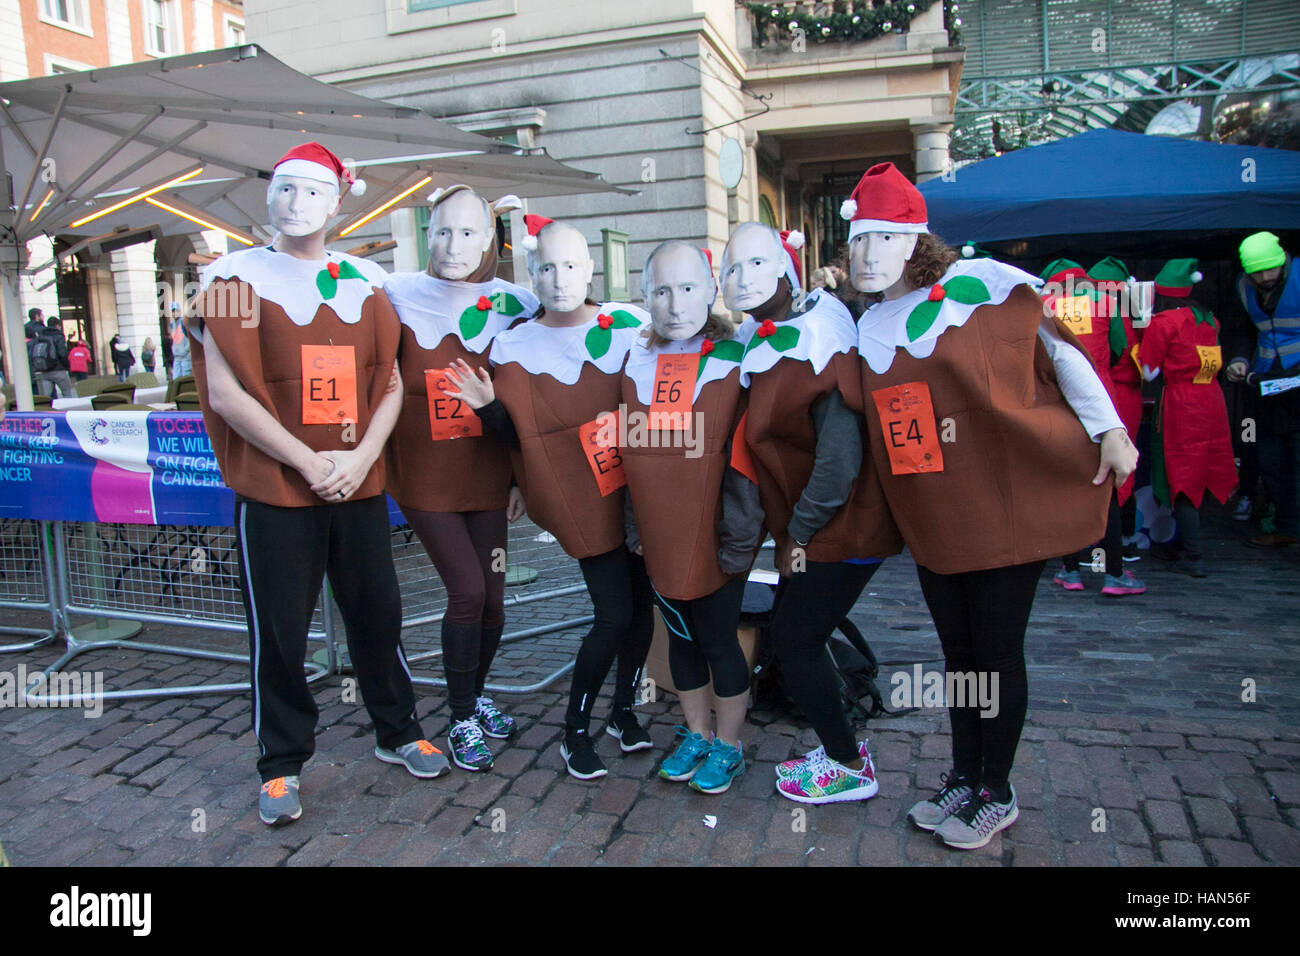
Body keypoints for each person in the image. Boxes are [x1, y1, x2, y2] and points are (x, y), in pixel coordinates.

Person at [843, 162, 1135, 848]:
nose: (866, 254)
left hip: (1004, 500)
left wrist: (1110, 428)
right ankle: (966, 775)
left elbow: (1059, 354)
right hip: (937, 511)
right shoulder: (870, 322)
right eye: (857, 240)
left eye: (882, 238)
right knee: (960, 653)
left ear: (915, 239)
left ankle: (995, 790)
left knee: (996, 651)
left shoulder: (983, 288)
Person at [189, 141, 448, 827]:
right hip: (277, 490)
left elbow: (390, 381)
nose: (295, 201)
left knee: (378, 616)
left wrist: (362, 457)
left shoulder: (365, 278)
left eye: (312, 190)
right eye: (283, 186)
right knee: (278, 632)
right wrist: (307, 462)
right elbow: (225, 390)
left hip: (357, 486)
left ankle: (398, 730)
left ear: (338, 201)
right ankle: (280, 763)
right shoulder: (232, 275)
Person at [445, 215, 655, 781]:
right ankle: (574, 729)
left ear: (589, 269)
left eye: (569, 265)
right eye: (545, 267)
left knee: (640, 616)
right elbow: (523, 437)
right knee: (612, 616)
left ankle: (624, 712)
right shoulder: (512, 346)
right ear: (530, 274)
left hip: (639, 498)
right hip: (580, 500)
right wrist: (490, 410)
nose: (559, 278)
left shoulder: (631, 327)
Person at [721, 221, 901, 805]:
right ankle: (842, 750)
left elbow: (840, 458)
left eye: (753, 263)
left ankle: (850, 764)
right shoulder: (769, 332)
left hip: (843, 524)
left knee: (796, 639)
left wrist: (796, 533)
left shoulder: (819, 338)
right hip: (818, 525)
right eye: (729, 268)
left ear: (782, 266)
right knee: (800, 633)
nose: (739, 278)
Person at [382, 185, 539, 771]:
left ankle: (474, 698)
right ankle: (460, 716)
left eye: (468, 232)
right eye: (442, 230)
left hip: (489, 477)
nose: (453, 244)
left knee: (494, 603)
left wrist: (524, 476)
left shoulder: (517, 303)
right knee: (468, 591)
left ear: (490, 240)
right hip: (425, 476)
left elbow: (533, 396)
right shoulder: (394, 293)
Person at [621, 240, 762, 794]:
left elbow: (747, 459)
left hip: (718, 536)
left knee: (718, 639)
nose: (675, 304)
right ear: (645, 297)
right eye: (661, 290)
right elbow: (630, 452)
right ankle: (697, 732)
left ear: (710, 290)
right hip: (660, 536)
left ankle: (729, 745)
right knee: (679, 639)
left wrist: (741, 536)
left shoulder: (740, 358)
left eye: (686, 288)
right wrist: (636, 527)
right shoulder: (635, 361)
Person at [1040, 258, 1145, 596]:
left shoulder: (1040, 306)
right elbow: (1120, 351)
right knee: (1107, 488)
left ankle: (1070, 571)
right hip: (1098, 395)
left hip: (1057, 398)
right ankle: (1114, 574)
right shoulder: (1107, 302)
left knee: (1065, 486)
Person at [1139, 258, 1238, 577]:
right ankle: (1188, 545)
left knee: (1182, 472)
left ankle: (1192, 554)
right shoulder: (1209, 319)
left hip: (1181, 404)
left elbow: (1149, 370)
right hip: (1212, 399)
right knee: (1206, 467)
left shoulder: (1163, 322)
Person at [1226, 231, 1300, 548]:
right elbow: (1242, 329)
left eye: (1270, 269)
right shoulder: (1244, 286)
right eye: (1257, 272)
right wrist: (1240, 360)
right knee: (1271, 460)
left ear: (1283, 260)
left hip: (1297, 383)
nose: (1265, 277)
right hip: (1267, 384)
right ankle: (1285, 527)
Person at [30, 316, 73, 398]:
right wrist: (67, 366)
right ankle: (69, 410)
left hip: (44, 370)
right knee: (67, 394)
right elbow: (62, 354)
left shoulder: (40, 337)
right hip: (59, 370)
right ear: (57, 326)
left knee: (46, 398)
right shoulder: (59, 337)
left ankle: (48, 410)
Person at [170, 309, 192, 380]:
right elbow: (174, 339)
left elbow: (189, 338)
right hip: (177, 356)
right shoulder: (172, 324)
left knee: (186, 377)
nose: (174, 313)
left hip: (185, 356)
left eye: (175, 311)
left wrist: (185, 350)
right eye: (172, 312)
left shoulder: (184, 322)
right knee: (175, 378)